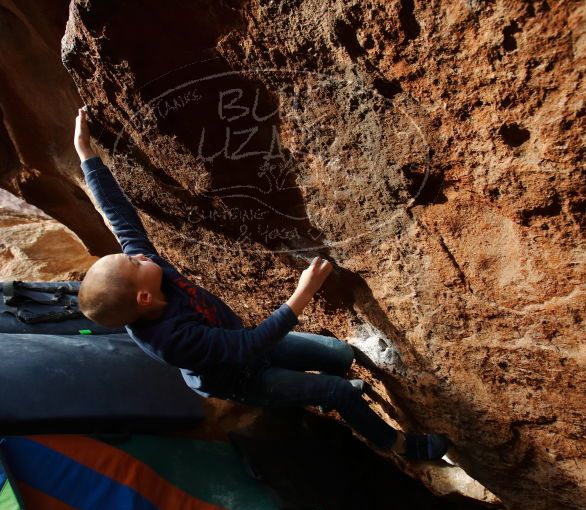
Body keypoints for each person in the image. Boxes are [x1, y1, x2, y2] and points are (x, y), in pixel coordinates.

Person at [73, 108, 449, 460]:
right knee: (335, 391)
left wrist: (86, 153)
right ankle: (397, 444)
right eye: (133, 261)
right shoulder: (171, 340)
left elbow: (120, 217)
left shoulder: (147, 273)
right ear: (143, 297)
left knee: (339, 355)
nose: (140, 255)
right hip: (243, 377)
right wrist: (305, 290)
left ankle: (331, 395)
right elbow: (250, 345)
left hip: (245, 342)